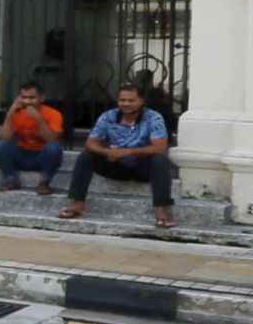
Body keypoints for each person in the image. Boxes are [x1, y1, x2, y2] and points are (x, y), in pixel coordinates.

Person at [61, 82, 178, 229]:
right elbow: (91, 143)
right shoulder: (108, 116)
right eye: (122, 100)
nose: (126, 104)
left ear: (141, 101)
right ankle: (78, 204)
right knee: (86, 155)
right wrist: (107, 152)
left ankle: (162, 211)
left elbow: (160, 148)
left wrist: (127, 151)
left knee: (159, 160)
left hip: (142, 168)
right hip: (116, 165)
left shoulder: (153, 118)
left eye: (131, 100)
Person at [0, 81, 65, 195]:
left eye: (31, 98)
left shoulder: (54, 114)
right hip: (22, 155)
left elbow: (52, 140)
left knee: (54, 148)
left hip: (43, 157)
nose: (27, 101)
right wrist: (10, 113)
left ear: (41, 98)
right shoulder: (16, 113)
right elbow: (4, 137)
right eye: (23, 97)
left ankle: (44, 182)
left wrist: (38, 119)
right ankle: (12, 180)